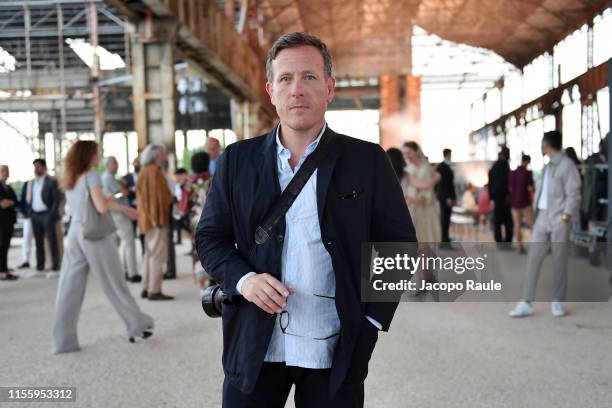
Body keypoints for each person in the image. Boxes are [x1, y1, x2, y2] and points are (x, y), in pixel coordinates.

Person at [196, 32, 416, 408]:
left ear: (329, 88)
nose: (297, 89)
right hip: (254, 347)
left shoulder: (366, 161)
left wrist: (372, 324)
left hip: (334, 350)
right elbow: (210, 238)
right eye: (286, 78)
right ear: (270, 90)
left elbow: (400, 247)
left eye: (309, 77)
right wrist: (245, 280)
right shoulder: (237, 161)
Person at [52, 141, 153, 353]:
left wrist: (121, 208)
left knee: (68, 289)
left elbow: (89, 205)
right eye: (97, 153)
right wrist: (121, 203)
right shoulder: (91, 175)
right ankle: (137, 324)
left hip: (75, 233)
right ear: (88, 155)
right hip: (95, 236)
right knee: (115, 283)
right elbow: (100, 206)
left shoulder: (71, 177)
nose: (99, 156)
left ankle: (63, 342)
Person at [509, 131, 581, 318]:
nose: (541, 147)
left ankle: (558, 301)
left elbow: (574, 194)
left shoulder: (567, 166)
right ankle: (526, 301)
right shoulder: (547, 166)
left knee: (559, 261)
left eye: (542, 144)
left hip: (558, 220)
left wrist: (565, 218)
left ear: (547, 145)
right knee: (533, 259)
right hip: (542, 219)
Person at [137, 144, 174, 300]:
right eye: (162, 155)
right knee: (157, 256)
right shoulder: (155, 172)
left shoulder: (143, 171)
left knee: (149, 255)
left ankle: (146, 287)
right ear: (155, 156)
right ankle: (154, 290)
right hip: (156, 220)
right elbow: (159, 199)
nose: (164, 157)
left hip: (146, 219)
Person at [101, 156, 141, 283]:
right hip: (118, 213)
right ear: (108, 164)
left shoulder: (109, 177)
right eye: (114, 163)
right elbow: (116, 194)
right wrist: (122, 192)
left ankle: (126, 270)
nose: (117, 165)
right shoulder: (107, 177)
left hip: (116, 212)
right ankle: (132, 272)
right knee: (129, 242)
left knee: (123, 242)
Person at [176, 152, 211, 295]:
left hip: (196, 222)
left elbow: (183, 207)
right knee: (216, 248)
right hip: (213, 219)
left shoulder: (188, 184)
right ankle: (213, 280)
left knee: (197, 252)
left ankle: (202, 285)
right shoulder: (214, 179)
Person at [402, 141, 441, 243]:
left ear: (416, 151)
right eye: (404, 153)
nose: (406, 156)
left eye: (409, 152)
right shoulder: (409, 168)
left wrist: (413, 199)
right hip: (412, 208)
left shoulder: (425, 168)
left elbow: (427, 193)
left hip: (424, 210)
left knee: (424, 239)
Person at [28, 159, 61, 276]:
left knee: (52, 241)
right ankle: (40, 268)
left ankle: (54, 267)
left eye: (38, 166)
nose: (36, 169)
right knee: (38, 242)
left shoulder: (51, 181)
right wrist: (30, 212)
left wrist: (51, 214)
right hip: (35, 215)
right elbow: (30, 198)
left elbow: (57, 200)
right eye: (34, 166)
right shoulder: (32, 182)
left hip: (47, 214)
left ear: (43, 167)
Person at [508, 154, 535, 254]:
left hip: (514, 203)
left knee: (517, 224)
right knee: (532, 224)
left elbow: (510, 189)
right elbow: (530, 189)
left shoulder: (512, 173)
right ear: (527, 161)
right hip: (525, 202)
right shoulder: (527, 173)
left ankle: (520, 246)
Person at [488, 146, 513, 245]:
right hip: (504, 197)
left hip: (496, 197)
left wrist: (491, 197)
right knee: (508, 220)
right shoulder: (504, 165)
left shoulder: (494, 166)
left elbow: (490, 182)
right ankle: (507, 240)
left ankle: (498, 240)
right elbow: (506, 181)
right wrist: (508, 195)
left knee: (497, 219)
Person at [0, 165, 18, 281]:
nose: (6, 173)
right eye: (3, 171)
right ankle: (2, 272)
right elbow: (3, 204)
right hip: (1, 222)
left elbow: (16, 201)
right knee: (1, 246)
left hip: (9, 222)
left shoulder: (8, 188)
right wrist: (10, 202)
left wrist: (10, 202)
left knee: (5, 246)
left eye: (7, 171)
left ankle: (4, 269)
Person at [436, 148, 456, 243]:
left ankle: (446, 238)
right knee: (444, 218)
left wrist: (453, 197)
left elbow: (451, 184)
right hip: (444, 197)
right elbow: (443, 184)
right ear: (447, 154)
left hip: (449, 196)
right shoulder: (442, 166)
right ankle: (443, 239)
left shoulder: (448, 165)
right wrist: (447, 197)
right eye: (450, 154)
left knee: (447, 218)